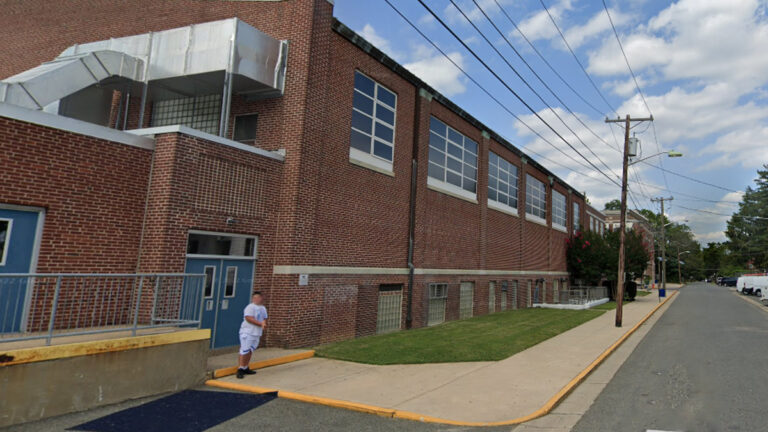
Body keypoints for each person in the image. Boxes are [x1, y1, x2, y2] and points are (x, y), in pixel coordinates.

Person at [237, 292, 267, 379]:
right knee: (244, 350)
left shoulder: (263, 308)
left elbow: (265, 318)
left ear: (261, 298)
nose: (256, 299)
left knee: (250, 350)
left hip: (256, 333)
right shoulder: (250, 307)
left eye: (258, 297)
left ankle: (246, 367)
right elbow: (249, 318)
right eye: (255, 298)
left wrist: (264, 324)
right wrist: (260, 323)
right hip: (247, 332)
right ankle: (240, 369)